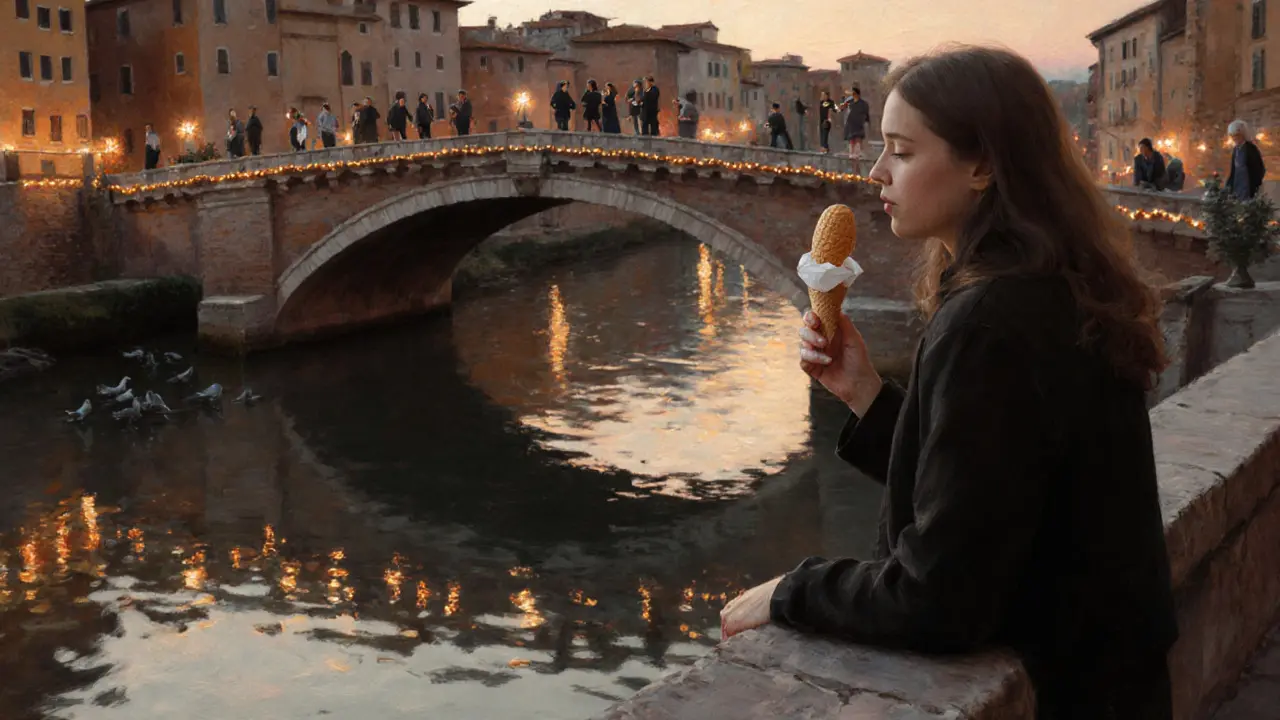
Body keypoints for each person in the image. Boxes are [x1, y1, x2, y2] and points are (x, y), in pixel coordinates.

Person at [720, 45, 1176, 720]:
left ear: (983, 164)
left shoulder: (991, 319)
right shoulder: (1049, 287)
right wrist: (865, 393)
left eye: (901, 152)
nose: (877, 172)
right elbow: (995, 481)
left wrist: (794, 588)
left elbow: (940, 597)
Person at [1226, 119, 1267, 200]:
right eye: (1232, 135)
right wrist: (1228, 186)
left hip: (1248, 186)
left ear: (1243, 134)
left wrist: (1256, 185)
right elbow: (1233, 170)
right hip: (1237, 185)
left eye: (1237, 135)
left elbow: (1260, 169)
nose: (1234, 138)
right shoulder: (1235, 149)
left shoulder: (1251, 149)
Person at [841, 86, 871, 163]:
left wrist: (866, 120)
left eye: (854, 93)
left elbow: (866, 113)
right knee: (851, 139)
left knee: (858, 138)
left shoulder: (863, 103)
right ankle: (851, 153)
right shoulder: (849, 101)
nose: (852, 95)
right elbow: (842, 108)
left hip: (859, 123)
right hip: (850, 123)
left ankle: (857, 153)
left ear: (857, 94)